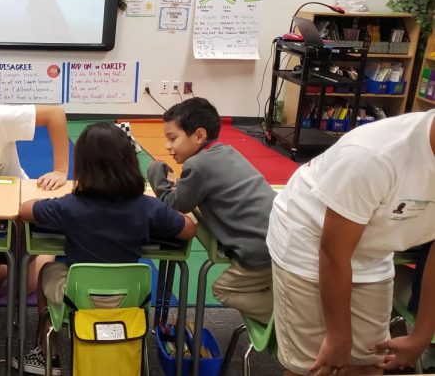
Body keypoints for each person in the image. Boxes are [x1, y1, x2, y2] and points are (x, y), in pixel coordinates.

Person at [17, 122, 196, 375]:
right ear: (130, 162)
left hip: (77, 298)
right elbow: (188, 229)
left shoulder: (71, 206)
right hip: (129, 299)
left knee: (48, 268)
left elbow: (26, 210)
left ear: (83, 166)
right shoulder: (147, 207)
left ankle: (48, 352)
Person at [266, 110, 435, 375]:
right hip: (308, 236)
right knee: (317, 366)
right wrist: (337, 335)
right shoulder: (375, 155)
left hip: (374, 245)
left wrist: (421, 336)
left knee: (369, 363)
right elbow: (333, 252)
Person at [147, 98, 275, 323]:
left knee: (223, 290)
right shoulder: (226, 152)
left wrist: (155, 171)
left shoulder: (198, 165)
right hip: (279, 240)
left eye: (172, 138)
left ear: (199, 135)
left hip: (259, 252)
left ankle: (285, 316)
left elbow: (173, 205)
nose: (168, 147)